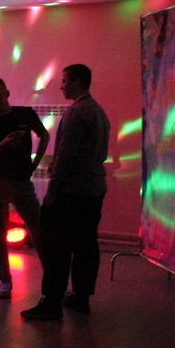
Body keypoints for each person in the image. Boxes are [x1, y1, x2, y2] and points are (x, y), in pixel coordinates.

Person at [21, 64, 110, 320]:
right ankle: (81, 297)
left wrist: (53, 190)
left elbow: (65, 156)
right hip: (94, 189)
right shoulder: (98, 111)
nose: (61, 86)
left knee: (56, 248)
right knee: (85, 246)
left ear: (77, 81)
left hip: (72, 192)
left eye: (64, 81)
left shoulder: (75, 113)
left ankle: (52, 302)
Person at [0, 77, 49, 299]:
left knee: (39, 230)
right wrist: (3, 145)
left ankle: (52, 280)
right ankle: (5, 280)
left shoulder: (25, 114)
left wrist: (35, 163)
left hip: (21, 181)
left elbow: (44, 135)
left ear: (7, 93)